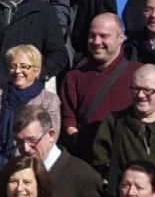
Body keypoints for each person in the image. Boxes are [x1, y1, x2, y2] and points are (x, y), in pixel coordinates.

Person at [57, 14, 140, 154]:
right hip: (87, 156)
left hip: (129, 154)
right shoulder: (74, 77)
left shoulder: (138, 73)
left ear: (121, 38)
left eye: (103, 36)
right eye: (92, 35)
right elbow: (68, 116)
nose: (96, 41)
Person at [12, 105, 103, 197]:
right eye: (19, 142)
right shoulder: (14, 171)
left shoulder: (84, 178)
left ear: (51, 135)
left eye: (32, 140)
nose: (26, 148)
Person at [0, 44, 63, 154]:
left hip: (32, 159)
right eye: (13, 66)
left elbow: (50, 138)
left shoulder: (49, 100)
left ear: (36, 71)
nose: (17, 71)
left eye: (24, 66)